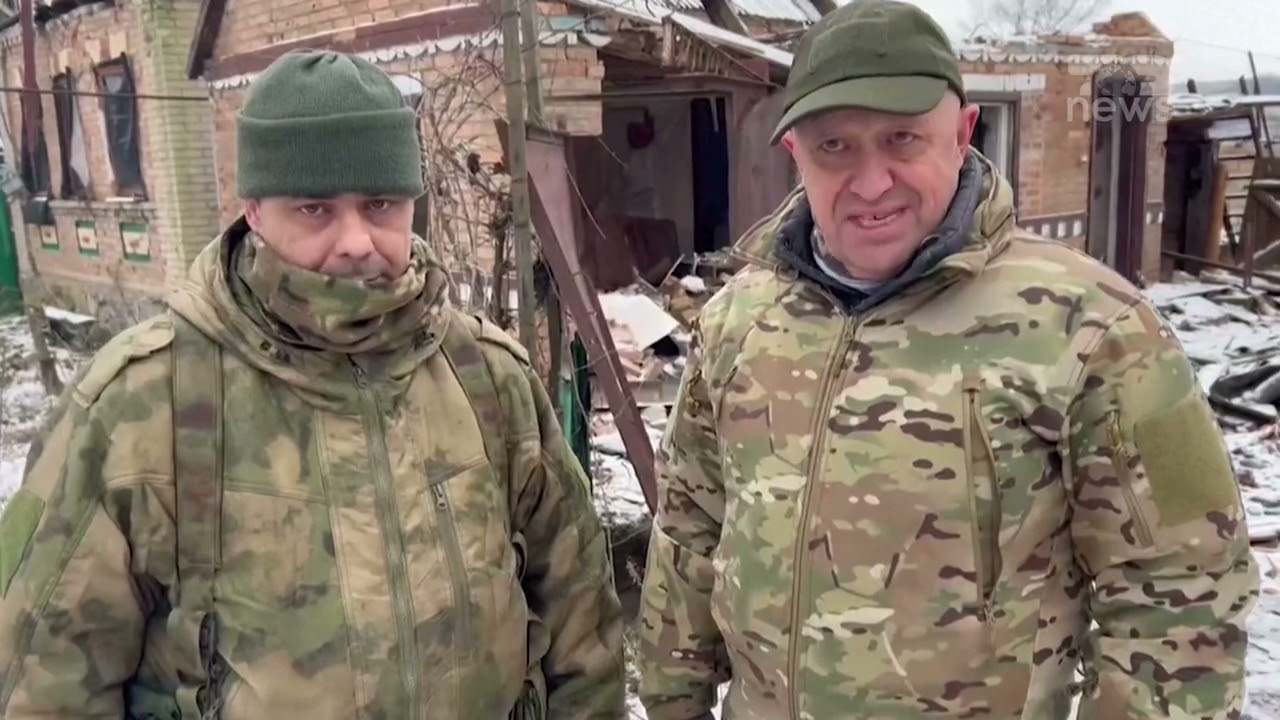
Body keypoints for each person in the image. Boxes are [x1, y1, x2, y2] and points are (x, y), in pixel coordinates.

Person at [636, 2, 1260, 718]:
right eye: (835, 146)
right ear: (795, 155)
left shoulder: (1094, 329)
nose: (872, 183)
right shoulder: (739, 322)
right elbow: (690, 529)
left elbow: (1182, 595)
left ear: (963, 134)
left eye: (902, 139)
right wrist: (672, 702)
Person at [0, 49, 625, 719]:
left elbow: (579, 623)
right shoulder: (141, 406)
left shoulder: (487, 379)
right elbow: (43, 680)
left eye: (380, 203)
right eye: (315, 209)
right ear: (254, 210)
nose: (356, 240)